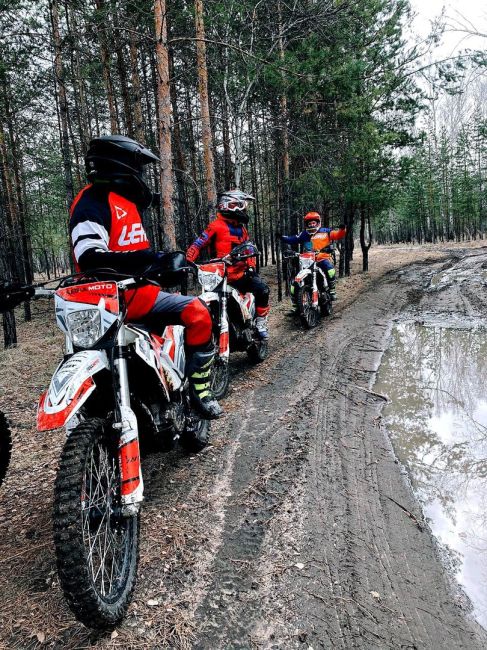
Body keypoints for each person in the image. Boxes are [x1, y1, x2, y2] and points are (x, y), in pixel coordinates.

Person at [69, 134, 221, 419]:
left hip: (140, 295)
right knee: (197, 310)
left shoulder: (126, 202)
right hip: (107, 305)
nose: (142, 175)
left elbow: (130, 249)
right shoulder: (92, 202)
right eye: (139, 167)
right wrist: (153, 260)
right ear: (123, 165)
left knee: (199, 312)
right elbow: (90, 258)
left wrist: (160, 266)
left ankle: (199, 389)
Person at [186, 189, 270, 339]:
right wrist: (188, 262)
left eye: (243, 205)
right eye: (240, 205)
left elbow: (248, 248)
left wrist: (251, 266)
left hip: (240, 274)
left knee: (263, 290)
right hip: (219, 277)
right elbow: (197, 244)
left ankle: (260, 323)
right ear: (229, 205)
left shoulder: (242, 229)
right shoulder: (215, 226)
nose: (243, 208)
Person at [281, 212, 346, 300]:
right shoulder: (304, 234)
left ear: (318, 223)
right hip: (308, 261)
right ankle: (297, 305)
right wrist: (282, 237)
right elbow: (293, 239)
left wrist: (342, 229)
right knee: (296, 281)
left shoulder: (326, 231)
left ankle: (332, 290)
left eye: (313, 223)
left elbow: (337, 235)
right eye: (310, 223)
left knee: (330, 270)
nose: (312, 225)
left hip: (323, 259)